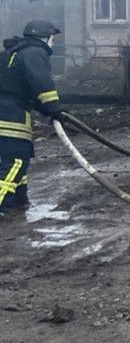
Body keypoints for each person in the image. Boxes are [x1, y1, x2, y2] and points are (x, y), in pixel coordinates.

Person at [0, 20, 64, 214]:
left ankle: (18, 201)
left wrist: (47, 110)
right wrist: (54, 108)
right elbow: (42, 83)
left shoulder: (13, 53)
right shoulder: (35, 52)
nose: (53, 43)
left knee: (14, 161)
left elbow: (21, 88)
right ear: (45, 38)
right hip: (10, 116)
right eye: (52, 39)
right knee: (16, 161)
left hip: (7, 111)